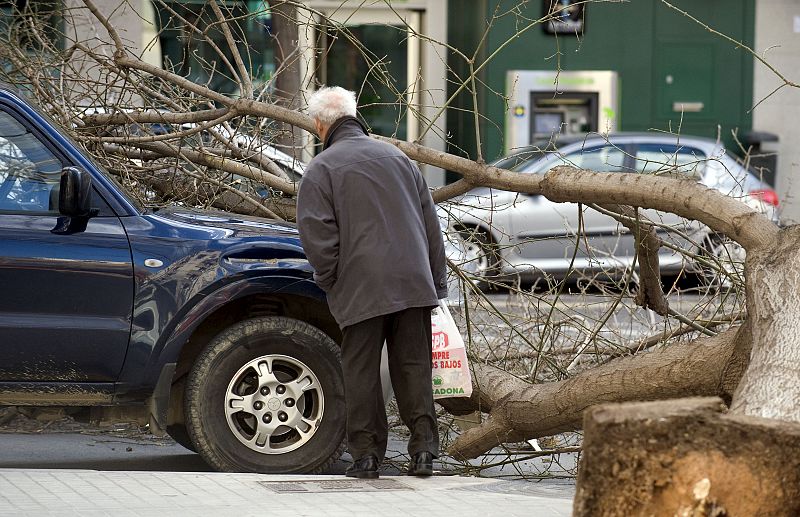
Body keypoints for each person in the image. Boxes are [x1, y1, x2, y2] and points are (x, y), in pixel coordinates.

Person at [296, 86, 448, 479]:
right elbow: (431, 226)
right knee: (414, 367)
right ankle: (424, 453)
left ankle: (366, 457)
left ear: (319, 125)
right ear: (355, 114)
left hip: (360, 285)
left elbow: (317, 236)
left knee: (361, 370)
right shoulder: (399, 158)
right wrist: (437, 283)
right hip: (413, 283)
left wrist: (332, 281)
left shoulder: (322, 168)